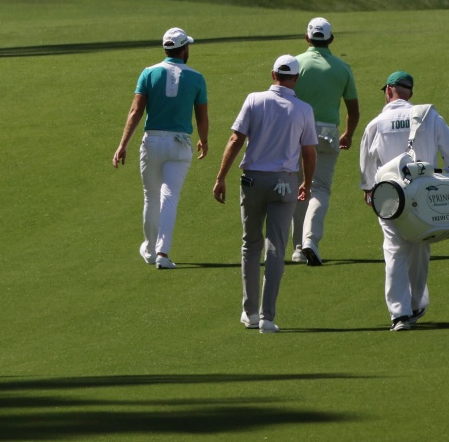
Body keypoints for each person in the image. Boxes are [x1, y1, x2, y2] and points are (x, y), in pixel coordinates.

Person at [211, 56, 317, 333]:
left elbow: (236, 139)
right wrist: (307, 182)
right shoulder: (304, 109)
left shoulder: (254, 100)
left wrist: (220, 177)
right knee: (276, 248)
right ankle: (268, 317)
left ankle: (250, 312)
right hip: (285, 183)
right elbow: (308, 151)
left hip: (253, 180)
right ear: (296, 78)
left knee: (251, 244)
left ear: (273, 75)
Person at [357, 71, 449, 330]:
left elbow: (366, 169)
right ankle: (416, 305)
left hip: (390, 198)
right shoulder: (430, 117)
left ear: (388, 91)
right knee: (420, 247)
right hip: (425, 196)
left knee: (394, 251)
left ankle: (399, 314)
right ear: (411, 94)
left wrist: (369, 191)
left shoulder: (375, 124)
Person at [112, 27, 210, 269]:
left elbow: (136, 111)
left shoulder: (148, 73)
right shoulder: (196, 77)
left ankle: (149, 248)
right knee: (170, 198)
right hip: (180, 144)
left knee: (151, 197)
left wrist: (123, 144)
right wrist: (204, 139)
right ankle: (162, 254)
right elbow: (202, 117)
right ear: (183, 49)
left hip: (152, 142)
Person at [288, 17, 359, 266]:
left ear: (307, 37)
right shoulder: (342, 68)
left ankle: (298, 248)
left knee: (299, 187)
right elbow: (353, 109)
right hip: (327, 134)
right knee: (319, 189)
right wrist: (348, 134)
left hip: (297, 133)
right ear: (330, 39)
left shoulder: (295, 64)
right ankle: (311, 241)